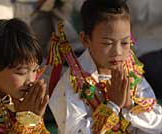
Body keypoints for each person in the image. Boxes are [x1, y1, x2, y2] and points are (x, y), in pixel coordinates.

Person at [49, 0, 162, 133]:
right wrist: (112, 106)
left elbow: (157, 123)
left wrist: (129, 105)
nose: (118, 52)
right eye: (108, 43)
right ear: (85, 40)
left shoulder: (131, 71)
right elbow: (74, 130)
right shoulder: (73, 83)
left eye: (125, 42)